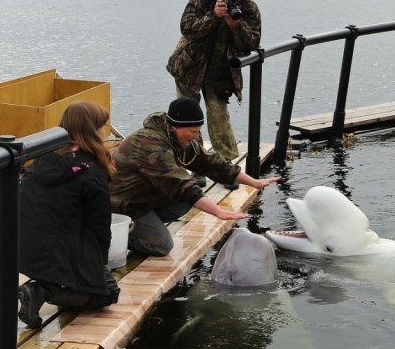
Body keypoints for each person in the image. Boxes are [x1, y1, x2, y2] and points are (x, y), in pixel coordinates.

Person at [110, 98, 280, 257]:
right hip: (122, 206)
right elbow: (182, 185)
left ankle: (145, 224)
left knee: (185, 202)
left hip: (142, 197)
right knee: (162, 245)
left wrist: (254, 182)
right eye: (193, 131)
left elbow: (212, 164)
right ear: (176, 126)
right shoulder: (150, 146)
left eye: (198, 132)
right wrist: (218, 212)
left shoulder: (176, 139)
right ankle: (114, 232)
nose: (196, 137)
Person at [16, 102, 120, 329]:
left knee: (89, 277)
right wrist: (100, 263)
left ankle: (48, 283)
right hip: (59, 247)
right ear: (92, 130)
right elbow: (100, 223)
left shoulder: (42, 156)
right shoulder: (91, 170)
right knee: (108, 293)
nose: (105, 132)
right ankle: (41, 292)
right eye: (102, 126)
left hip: (19, 247)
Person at [166, 0, 262, 189]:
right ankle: (195, 167)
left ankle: (225, 169)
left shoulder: (248, 7)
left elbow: (250, 44)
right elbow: (187, 28)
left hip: (220, 70)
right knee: (188, 118)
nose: (235, 0)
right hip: (189, 66)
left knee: (219, 117)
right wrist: (213, 16)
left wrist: (234, 24)